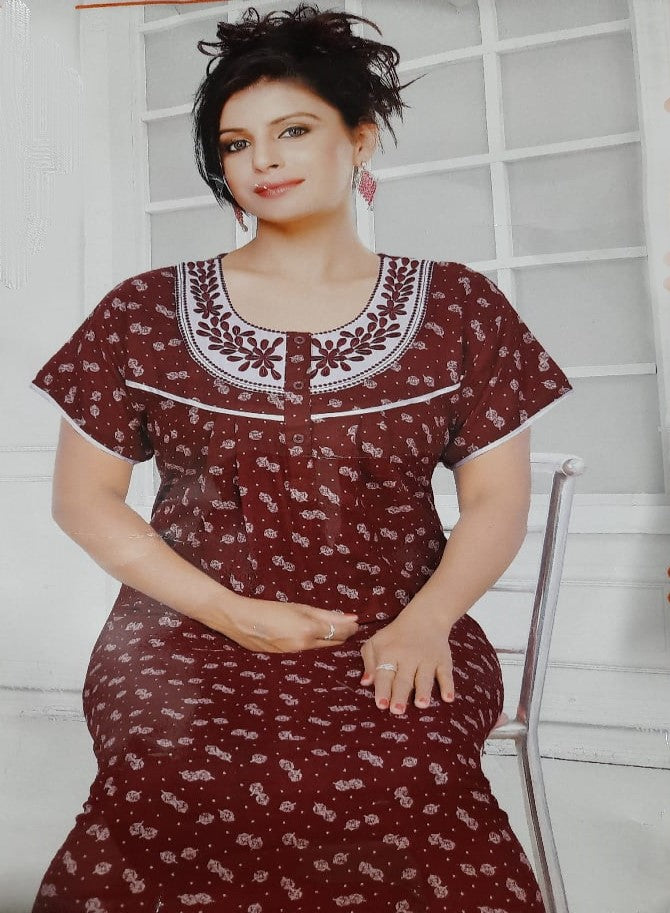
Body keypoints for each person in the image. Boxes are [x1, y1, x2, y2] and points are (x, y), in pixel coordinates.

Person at [28, 4, 574, 911]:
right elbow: (86, 501)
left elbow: (495, 504)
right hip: (183, 628)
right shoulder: (142, 313)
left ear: (359, 140)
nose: (263, 160)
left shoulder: (461, 309)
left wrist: (427, 621)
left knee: (399, 772)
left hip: (397, 619)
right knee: (173, 764)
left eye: (292, 131)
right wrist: (230, 613)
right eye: (236, 144)